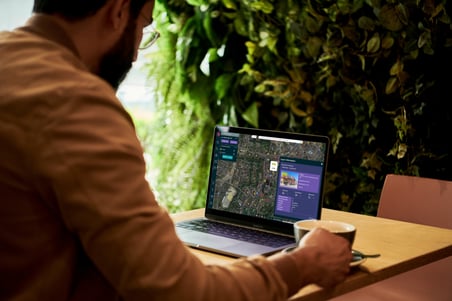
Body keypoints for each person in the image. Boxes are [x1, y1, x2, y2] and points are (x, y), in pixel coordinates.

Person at [0, 0, 352, 300]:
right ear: (118, 12)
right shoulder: (73, 101)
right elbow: (179, 292)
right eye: (144, 28)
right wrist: (303, 264)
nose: (137, 52)